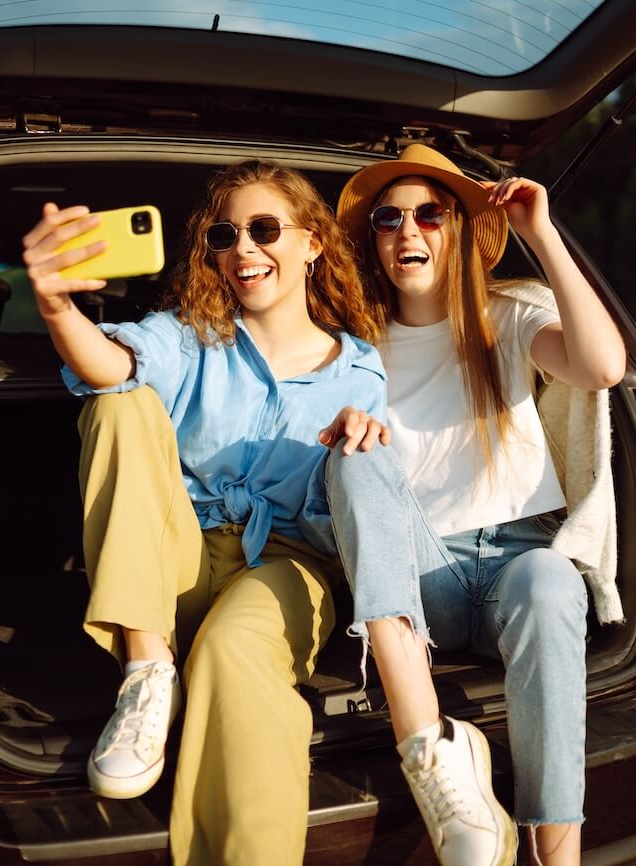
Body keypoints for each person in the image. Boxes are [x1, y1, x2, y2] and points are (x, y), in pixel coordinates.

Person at [21, 160, 386, 866]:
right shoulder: (188, 335)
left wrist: (361, 446)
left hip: (287, 562)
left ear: (312, 242)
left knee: (234, 655)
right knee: (121, 404)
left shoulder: (361, 370)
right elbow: (110, 366)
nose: (243, 248)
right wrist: (57, 307)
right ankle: (147, 672)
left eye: (263, 229)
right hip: (169, 561)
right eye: (224, 234)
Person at [318, 143, 627, 866]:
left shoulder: (507, 318)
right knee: (354, 460)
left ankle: (557, 856)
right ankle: (429, 750)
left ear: (457, 230)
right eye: (388, 219)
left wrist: (540, 233)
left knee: (553, 581)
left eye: (428, 214)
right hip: (420, 578)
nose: (407, 232)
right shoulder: (350, 344)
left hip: (519, 560)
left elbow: (603, 367)